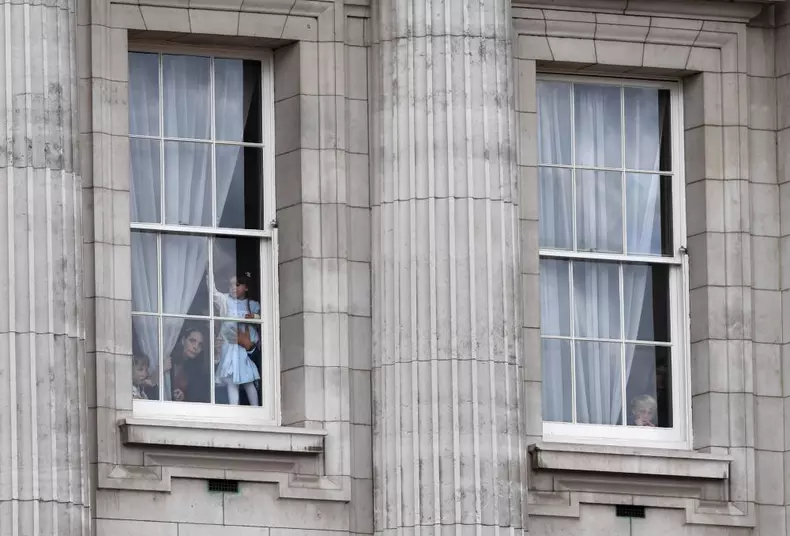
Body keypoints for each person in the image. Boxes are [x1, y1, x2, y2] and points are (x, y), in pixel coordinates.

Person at [211, 272, 261, 406]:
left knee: (248, 380)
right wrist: (210, 274)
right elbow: (214, 294)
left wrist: (254, 318)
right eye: (231, 285)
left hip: (243, 348)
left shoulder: (252, 304)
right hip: (229, 345)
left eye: (237, 284)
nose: (233, 287)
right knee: (231, 380)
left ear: (246, 287)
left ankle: (255, 407)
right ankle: (234, 408)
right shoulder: (225, 300)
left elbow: (263, 315)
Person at [165, 326, 211, 403]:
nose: (195, 347)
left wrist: (183, 396)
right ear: (183, 340)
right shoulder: (168, 358)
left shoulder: (197, 370)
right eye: (192, 341)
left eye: (200, 345)